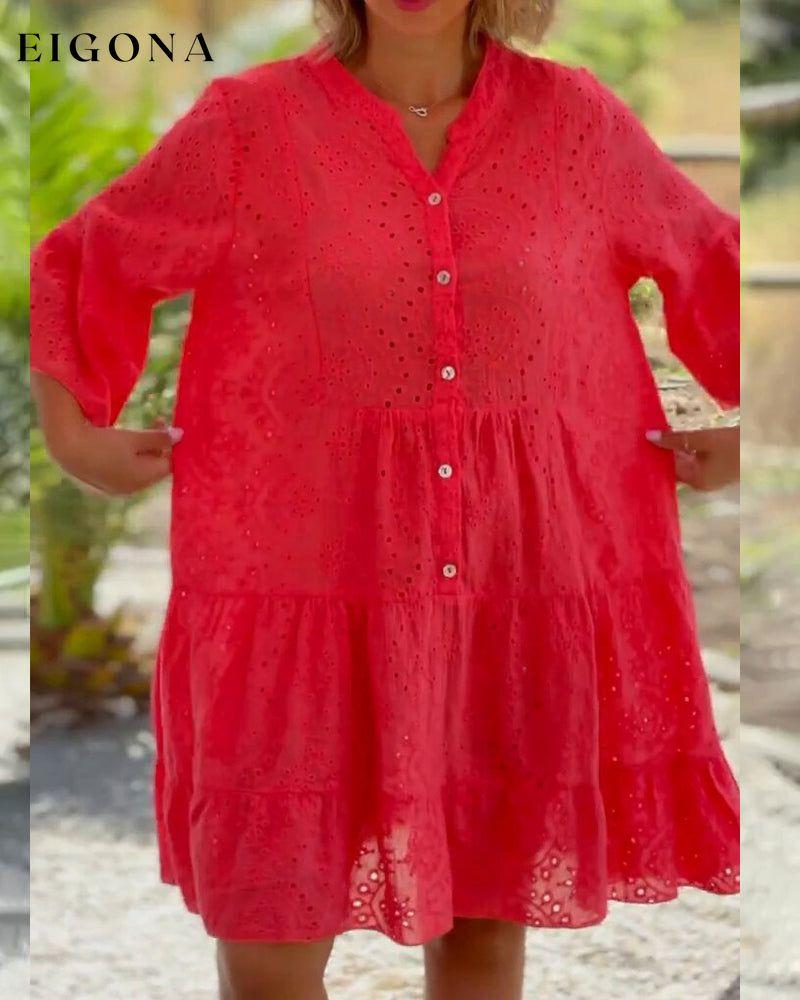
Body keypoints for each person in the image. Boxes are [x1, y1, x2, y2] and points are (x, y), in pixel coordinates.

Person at [29, 0, 741, 997]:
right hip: (296, 587)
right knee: (268, 946)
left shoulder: (574, 122)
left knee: (485, 929)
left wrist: (747, 425)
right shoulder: (249, 125)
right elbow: (88, 258)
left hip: (512, 584)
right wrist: (77, 438)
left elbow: (711, 260)